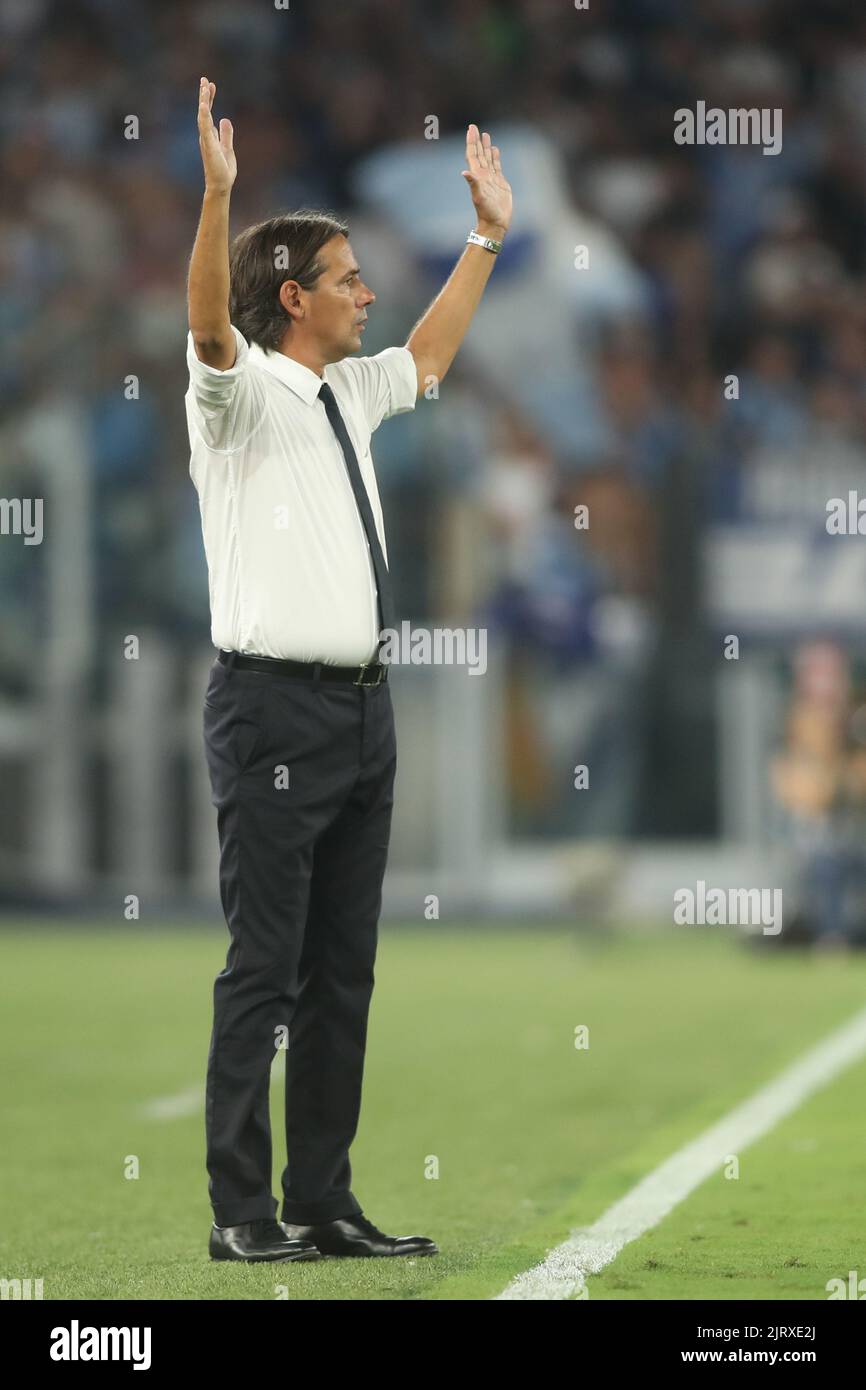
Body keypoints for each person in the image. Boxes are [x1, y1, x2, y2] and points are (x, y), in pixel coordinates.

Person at [186, 77, 513, 1262]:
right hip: (270, 708)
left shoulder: (341, 393)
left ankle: (322, 1200)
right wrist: (219, 199)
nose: (367, 292)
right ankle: (240, 1211)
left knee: (341, 973)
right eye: (346, 279)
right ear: (291, 299)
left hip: (362, 712)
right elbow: (207, 329)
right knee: (263, 968)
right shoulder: (234, 397)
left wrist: (485, 238)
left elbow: (426, 355)